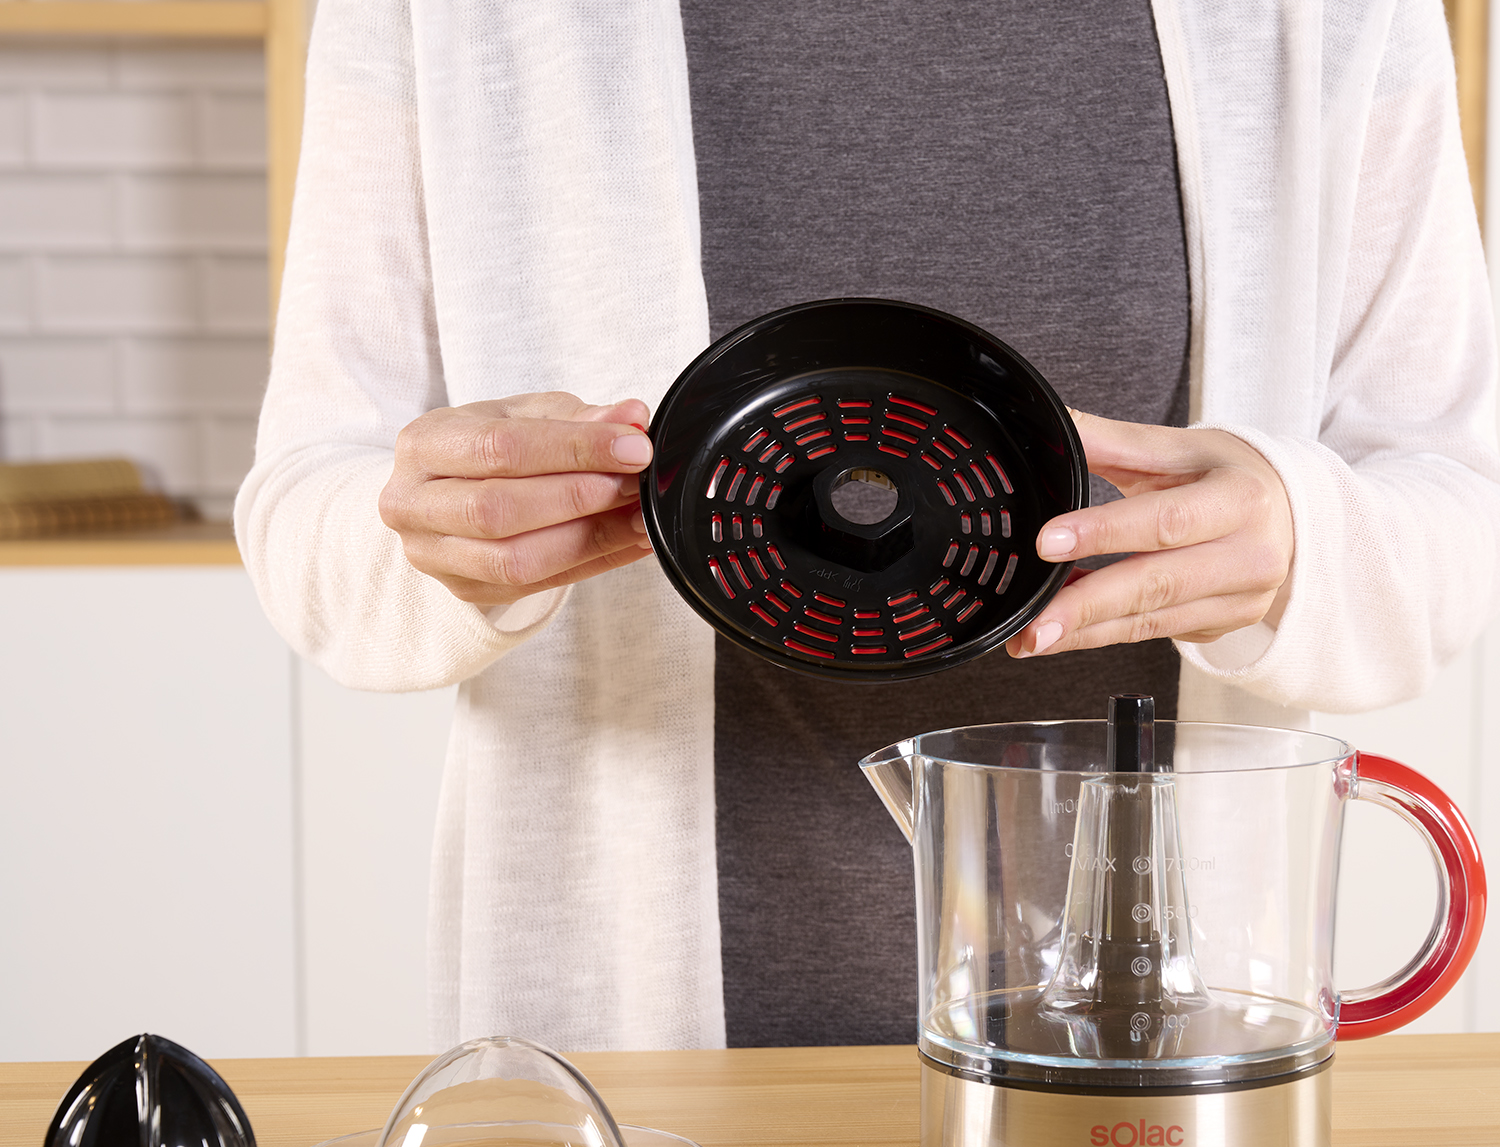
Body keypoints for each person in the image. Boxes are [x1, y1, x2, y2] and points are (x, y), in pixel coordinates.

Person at [236, 0, 1500, 1052]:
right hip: (634, 1065)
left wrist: (1300, 541)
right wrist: (450, 535)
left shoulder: (1326, 17)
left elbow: (1455, 499)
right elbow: (308, 512)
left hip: (1155, 1064)